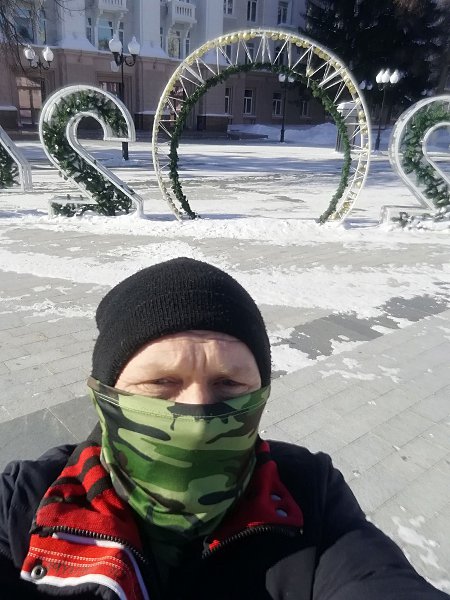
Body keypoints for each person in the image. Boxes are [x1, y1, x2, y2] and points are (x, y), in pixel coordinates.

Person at [0, 257, 447, 600]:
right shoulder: (24, 502)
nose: (197, 412)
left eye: (229, 384)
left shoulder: (308, 493)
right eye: (161, 383)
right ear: (105, 394)